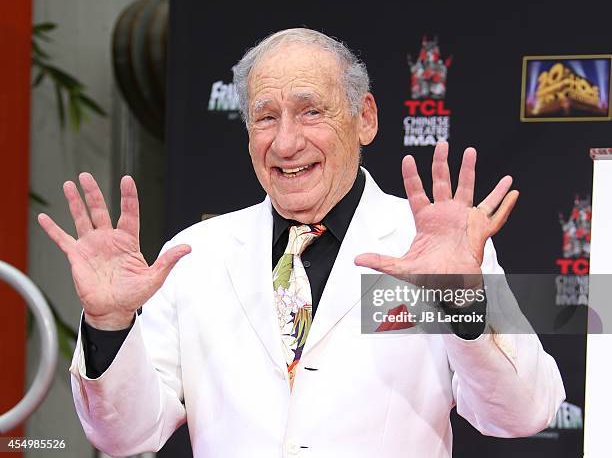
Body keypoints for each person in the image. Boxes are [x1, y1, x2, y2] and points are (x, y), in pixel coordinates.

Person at [38, 28, 565, 458]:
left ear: (365, 119)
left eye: (311, 111)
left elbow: (521, 414)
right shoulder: (197, 254)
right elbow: (125, 435)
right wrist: (109, 325)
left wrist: (459, 297)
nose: (286, 142)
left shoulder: (430, 247)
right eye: (266, 117)